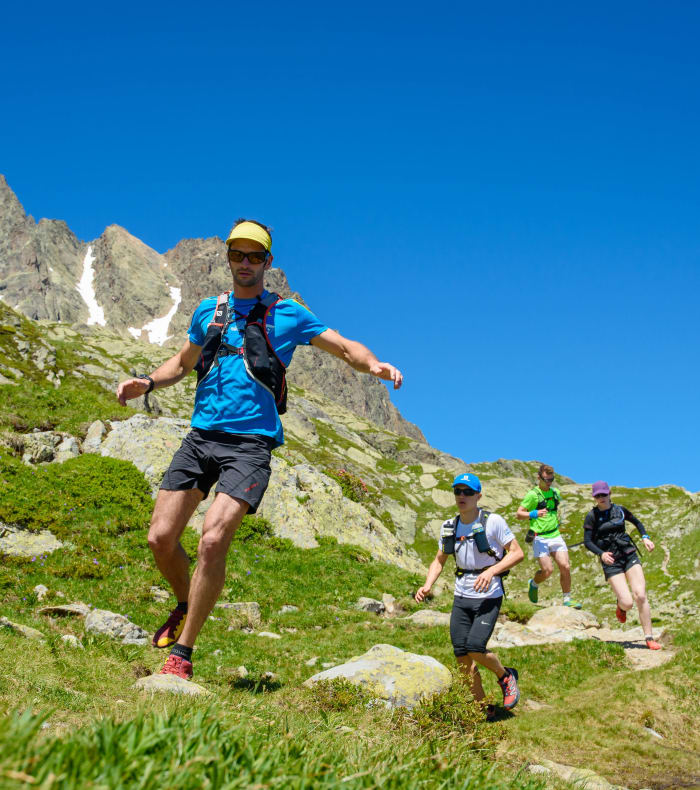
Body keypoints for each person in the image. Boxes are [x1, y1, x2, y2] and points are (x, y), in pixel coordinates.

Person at [116, 218, 403, 679]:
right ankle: (188, 601)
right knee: (160, 539)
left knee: (212, 540)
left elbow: (344, 347)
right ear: (227, 257)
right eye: (237, 254)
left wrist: (375, 366)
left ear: (268, 262)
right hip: (200, 437)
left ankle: (183, 653)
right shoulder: (208, 310)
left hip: (251, 445)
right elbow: (185, 362)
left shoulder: (287, 313)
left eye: (255, 256)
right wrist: (147, 381)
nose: (245, 263)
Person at [415, 473, 524, 720]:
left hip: (489, 595)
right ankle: (482, 708)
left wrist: (492, 571)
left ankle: (505, 676)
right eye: (457, 491)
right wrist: (427, 584)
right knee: (461, 655)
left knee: (475, 647)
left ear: (478, 496)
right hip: (461, 596)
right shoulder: (449, 526)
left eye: (467, 492)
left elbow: (517, 553)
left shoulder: (493, 521)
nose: (461, 496)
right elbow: (439, 560)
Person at [583, 481, 662, 650]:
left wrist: (645, 537)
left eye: (604, 494)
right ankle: (621, 606)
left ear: (610, 493)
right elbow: (588, 541)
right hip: (611, 560)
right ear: (594, 497)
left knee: (640, 595)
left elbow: (637, 522)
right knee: (628, 602)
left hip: (628, 554)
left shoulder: (620, 510)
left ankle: (649, 637)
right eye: (598, 496)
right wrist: (601, 554)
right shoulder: (592, 516)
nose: (601, 498)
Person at [516, 463, 581, 608]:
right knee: (547, 571)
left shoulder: (555, 492)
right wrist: (533, 514)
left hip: (555, 535)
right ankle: (533, 583)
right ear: (539, 478)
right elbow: (519, 514)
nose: (549, 483)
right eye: (546, 480)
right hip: (540, 537)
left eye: (551, 480)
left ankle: (567, 599)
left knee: (565, 566)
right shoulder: (532, 495)